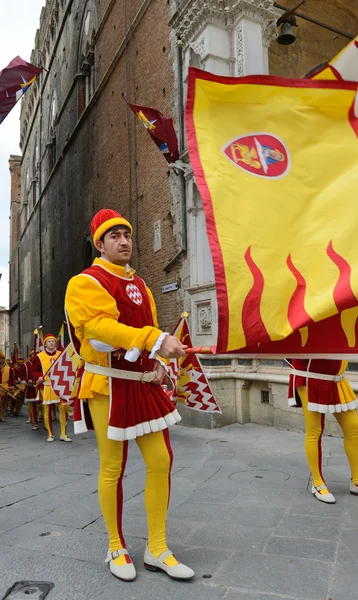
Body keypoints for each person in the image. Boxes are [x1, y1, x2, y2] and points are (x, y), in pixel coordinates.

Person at [65, 208, 194, 582]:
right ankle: (116, 544)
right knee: (113, 466)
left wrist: (159, 364)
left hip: (142, 382)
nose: (124, 241)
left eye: (127, 235)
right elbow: (100, 330)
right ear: (99, 243)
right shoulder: (85, 282)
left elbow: (147, 329)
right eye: (114, 236)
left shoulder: (141, 284)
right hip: (108, 383)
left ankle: (157, 547)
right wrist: (154, 339)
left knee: (161, 461)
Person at [288, 358, 358, 504]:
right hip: (311, 378)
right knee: (314, 430)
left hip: (337, 380)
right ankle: (317, 483)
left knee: (353, 426)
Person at [32, 334, 71, 442]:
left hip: (60, 385)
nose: (51, 343)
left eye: (53, 341)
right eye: (49, 341)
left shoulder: (61, 354)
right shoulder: (39, 356)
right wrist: (38, 377)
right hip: (47, 386)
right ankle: (50, 434)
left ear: (56, 343)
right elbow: (34, 370)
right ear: (45, 344)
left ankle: (63, 434)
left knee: (63, 408)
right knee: (47, 409)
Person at [0, 351, 13, 422]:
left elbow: (11, 379)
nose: (0, 360)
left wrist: (11, 386)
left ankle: (1, 415)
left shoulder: (9, 369)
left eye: (2, 359)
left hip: (5, 387)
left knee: (3, 402)